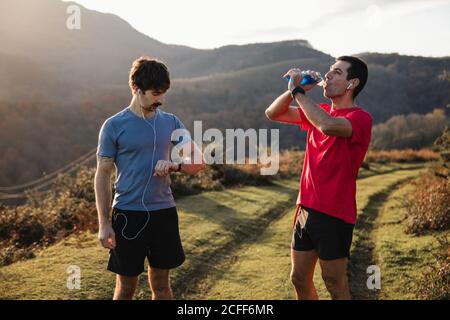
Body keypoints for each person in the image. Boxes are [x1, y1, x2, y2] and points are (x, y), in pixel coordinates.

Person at [95, 56, 205, 300]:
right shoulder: (113, 126)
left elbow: (198, 163)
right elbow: (102, 175)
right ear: (136, 88)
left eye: (164, 93)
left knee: (162, 287)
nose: (161, 100)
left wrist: (175, 166)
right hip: (127, 214)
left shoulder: (171, 122)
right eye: (156, 93)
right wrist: (104, 223)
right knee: (126, 288)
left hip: (163, 214)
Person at [265, 56, 372, 300]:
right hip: (306, 209)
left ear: (351, 83)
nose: (329, 75)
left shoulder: (360, 118)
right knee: (299, 278)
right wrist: (294, 91)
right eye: (329, 71)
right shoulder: (317, 112)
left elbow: (328, 126)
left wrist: (299, 92)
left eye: (336, 72)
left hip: (335, 213)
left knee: (334, 282)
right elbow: (272, 113)